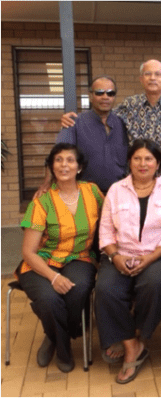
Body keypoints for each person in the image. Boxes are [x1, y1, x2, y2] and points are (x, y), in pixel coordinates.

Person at [95, 139, 161, 384]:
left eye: (149, 159)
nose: (142, 164)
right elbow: (104, 231)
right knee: (105, 289)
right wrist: (114, 256)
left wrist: (151, 258)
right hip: (121, 253)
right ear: (129, 161)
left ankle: (137, 336)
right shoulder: (116, 190)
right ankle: (131, 344)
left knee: (154, 284)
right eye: (137, 158)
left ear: (158, 163)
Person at [17, 143, 104, 373]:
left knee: (77, 289)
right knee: (49, 299)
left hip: (80, 257)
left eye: (70, 160)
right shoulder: (41, 200)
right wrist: (53, 277)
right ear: (51, 167)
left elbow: (113, 218)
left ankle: (52, 334)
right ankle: (60, 345)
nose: (64, 165)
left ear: (79, 167)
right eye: (58, 160)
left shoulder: (93, 192)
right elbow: (28, 251)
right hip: (41, 262)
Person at [36, 76, 128, 196]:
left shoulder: (124, 124)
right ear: (90, 96)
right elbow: (58, 154)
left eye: (110, 93)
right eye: (99, 93)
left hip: (119, 195)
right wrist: (46, 184)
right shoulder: (74, 123)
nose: (105, 97)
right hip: (85, 196)